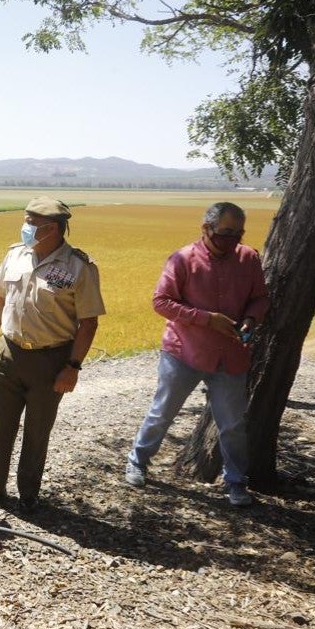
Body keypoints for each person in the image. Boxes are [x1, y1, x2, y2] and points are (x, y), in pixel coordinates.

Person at [122, 202, 267, 507]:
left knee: (232, 425)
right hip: (184, 352)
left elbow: (259, 299)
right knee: (162, 412)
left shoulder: (249, 258)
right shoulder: (183, 259)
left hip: (230, 356)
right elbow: (160, 302)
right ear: (206, 229)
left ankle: (236, 482)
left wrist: (252, 320)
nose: (232, 242)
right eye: (225, 234)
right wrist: (206, 318)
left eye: (238, 234)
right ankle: (137, 461)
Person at [0, 197, 105, 512]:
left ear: (53, 229)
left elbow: (89, 322)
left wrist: (73, 367)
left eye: (32, 223)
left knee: (38, 428)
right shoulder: (15, 255)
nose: (26, 227)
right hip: (9, 351)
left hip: (51, 359)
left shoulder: (79, 267)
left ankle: (28, 493)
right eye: (27, 220)